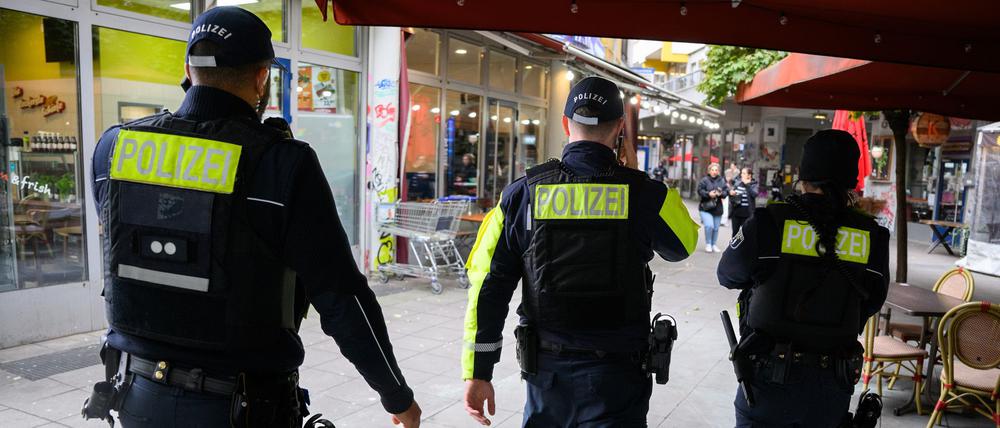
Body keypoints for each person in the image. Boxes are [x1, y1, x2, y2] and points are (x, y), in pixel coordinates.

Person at [87, 7, 421, 427]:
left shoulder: (114, 149)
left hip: (135, 395)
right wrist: (396, 396)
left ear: (187, 69)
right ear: (262, 77)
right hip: (238, 408)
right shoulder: (282, 163)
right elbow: (339, 297)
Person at [461, 76, 699, 427]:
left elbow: (487, 285)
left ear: (564, 123)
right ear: (620, 128)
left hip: (547, 375)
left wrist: (479, 371)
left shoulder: (521, 195)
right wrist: (644, 187)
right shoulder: (645, 194)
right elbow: (683, 245)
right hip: (617, 377)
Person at [717, 130, 890, 427]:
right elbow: (873, 299)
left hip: (766, 381)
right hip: (830, 386)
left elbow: (728, 275)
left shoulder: (769, 222)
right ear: (852, 180)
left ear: (802, 175)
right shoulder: (873, 236)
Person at [697, 163, 729, 252]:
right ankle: (708, 243)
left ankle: (713, 244)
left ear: (718, 171)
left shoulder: (722, 180)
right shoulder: (704, 180)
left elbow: (726, 192)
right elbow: (699, 191)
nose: (714, 172)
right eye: (712, 170)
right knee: (709, 226)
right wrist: (708, 194)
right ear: (709, 171)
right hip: (706, 208)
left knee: (716, 228)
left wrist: (720, 194)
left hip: (717, 208)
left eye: (716, 170)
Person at [729, 167, 758, 233]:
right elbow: (732, 195)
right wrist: (731, 193)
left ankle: (744, 244)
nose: (741, 175)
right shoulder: (738, 183)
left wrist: (747, 184)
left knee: (745, 234)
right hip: (736, 213)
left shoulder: (753, 184)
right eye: (742, 173)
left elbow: (754, 194)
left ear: (749, 175)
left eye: (744, 173)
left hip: (747, 214)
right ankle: (735, 244)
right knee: (735, 233)